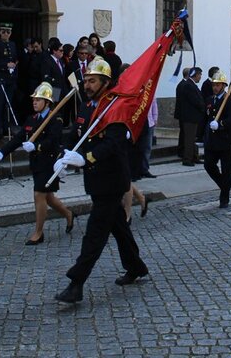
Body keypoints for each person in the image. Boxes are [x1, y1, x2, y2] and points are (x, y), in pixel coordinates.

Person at [52, 59, 148, 304]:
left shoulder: (115, 108)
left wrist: (85, 159)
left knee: (95, 233)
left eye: (93, 80)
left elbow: (114, 143)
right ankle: (136, 266)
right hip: (96, 179)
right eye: (86, 80)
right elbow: (76, 132)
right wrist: (63, 155)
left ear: (106, 82)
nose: (87, 84)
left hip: (112, 178)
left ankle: (76, 283)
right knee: (119, 227)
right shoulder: (87, 106)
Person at [0, 82, 75, 244]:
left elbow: (53, 140)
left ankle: (38, 233)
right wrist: (3, 151)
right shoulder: (31, 119)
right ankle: (68, 214)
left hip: (50, 163)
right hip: (36, 163)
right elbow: (19, 138)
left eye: (38, 100)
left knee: (39, 194)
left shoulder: (55, 119)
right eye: (34, 100)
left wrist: (36, 146)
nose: (34, 102)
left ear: (47, 102)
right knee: (49, 198)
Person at [204, 70, 231, 208]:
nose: (215, 87)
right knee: (208, 165)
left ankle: (224, 197)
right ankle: (224, 185)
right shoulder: (209, 100)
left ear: (224, 86)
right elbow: (205, 117)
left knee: (227, 170)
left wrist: (221, 124)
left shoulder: (230, 100)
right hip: (212, 141)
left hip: (226, 140)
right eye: (214, 85)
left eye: (218, 85)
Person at [0, 23, 19, 139]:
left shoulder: (12, 45)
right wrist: (5, 65)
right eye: (3, 32)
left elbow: (15, 59)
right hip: (0, 79)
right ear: (0, 32)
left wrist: (14, 66)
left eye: (8, 32)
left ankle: (7, 128)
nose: (6, 34)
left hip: (10, 79)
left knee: (8, 104)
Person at [177, 67, 205, 166]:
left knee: (192, 138)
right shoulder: (189, 85)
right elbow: (195, 101)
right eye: (200, 75)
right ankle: (187, 159)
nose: (200, 77)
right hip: (189, 117)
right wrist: (203, 107)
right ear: (196, 75)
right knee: (189, 139)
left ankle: (194, 157)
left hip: (192, 116)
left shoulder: (191, 84)